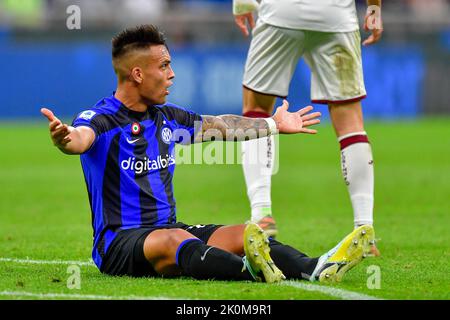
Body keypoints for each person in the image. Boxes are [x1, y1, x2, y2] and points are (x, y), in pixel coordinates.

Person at [41, 24, 375, 283]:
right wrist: (63, 138)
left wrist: (273, 124)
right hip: (119, 243)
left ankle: (315, 267)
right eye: (164, 65)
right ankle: (250, 272)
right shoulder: (101, 118)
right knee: (173, 240)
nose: (172, 74)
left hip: (168, 227)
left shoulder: (167, 117)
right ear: (138, 74)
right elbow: (80, 139)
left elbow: (222, 126)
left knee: (245, 234)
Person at [232, 0, 383, 251]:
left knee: (256, 109)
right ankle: (364, 228)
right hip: (335, 15)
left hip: (282, 12)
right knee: (350, 121)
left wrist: (242, 3)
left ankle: (262, 214)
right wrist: (374, 9)